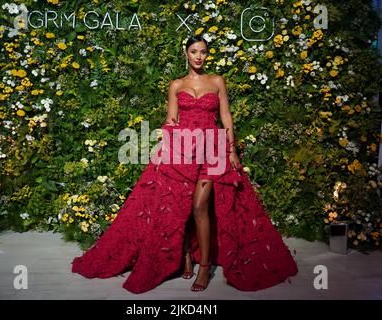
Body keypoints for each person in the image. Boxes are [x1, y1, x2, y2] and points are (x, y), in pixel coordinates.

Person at [71, 35, 298, 294]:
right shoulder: (176, 85)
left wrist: (232, 151)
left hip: (212, 150)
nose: (199, 56)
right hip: (183, 150)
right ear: (186, 54)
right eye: (194, 51)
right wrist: (167, 142)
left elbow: (226, 117)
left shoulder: (217, 81)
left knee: (200, 204)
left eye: (203, 52)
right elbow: (171, 119)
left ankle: (204, 267)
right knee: (181, 204)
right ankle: (187, 254)